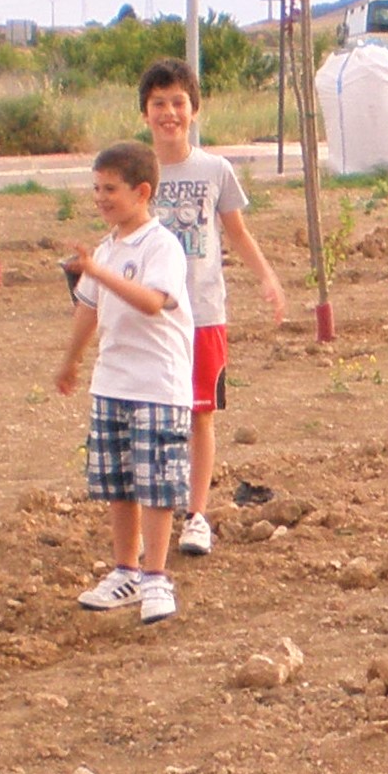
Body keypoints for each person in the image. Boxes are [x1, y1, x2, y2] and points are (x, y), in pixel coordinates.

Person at [137, 58, 288, 558]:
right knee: (152, 419)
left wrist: (266, 277)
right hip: (151, 319)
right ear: (144, 113)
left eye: (178, 102)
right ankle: (150, 514)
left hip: (203, 314)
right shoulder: (136, 172)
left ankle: (196, 515)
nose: (169, 112)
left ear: (194, 109)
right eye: (159, 103)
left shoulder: (215, 170)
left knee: (201, 414)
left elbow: (236, 233)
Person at [54, 141, 194, 626]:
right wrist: (71, 361)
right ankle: (125, 571)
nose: (100, 198)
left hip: (157, 383)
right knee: (119, 482)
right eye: (96, 188)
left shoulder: (161, 246)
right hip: (112, 382)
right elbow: (88, 309)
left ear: (142, 192)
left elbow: (154, 301)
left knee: (156, 482)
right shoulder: (108, 248)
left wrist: (98, 271)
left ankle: (157, 577)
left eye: (110, 189)